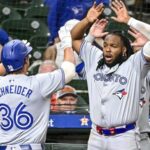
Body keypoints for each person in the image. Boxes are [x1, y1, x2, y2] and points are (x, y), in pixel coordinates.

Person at [67, 2, 150, 150]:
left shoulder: (134, 63)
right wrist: (87, 21)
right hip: (96, 136)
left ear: (124, 50)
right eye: (105, 45)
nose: (107, 49)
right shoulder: (95, 57)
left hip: (124, 137)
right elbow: (74, 38)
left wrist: (130, 21)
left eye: (113, 46)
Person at [0, 31, 76, 149]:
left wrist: (10, 60)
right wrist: (66, 43)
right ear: (26, 61)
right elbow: (69, 71)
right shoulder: (38, 83)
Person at [111, 0, 150, 149]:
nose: (138, 45)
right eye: (134, 44)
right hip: (112, 137)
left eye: (145, 46)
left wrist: (130, 21)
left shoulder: (147, 72)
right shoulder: (111, 69)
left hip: (141, 137)